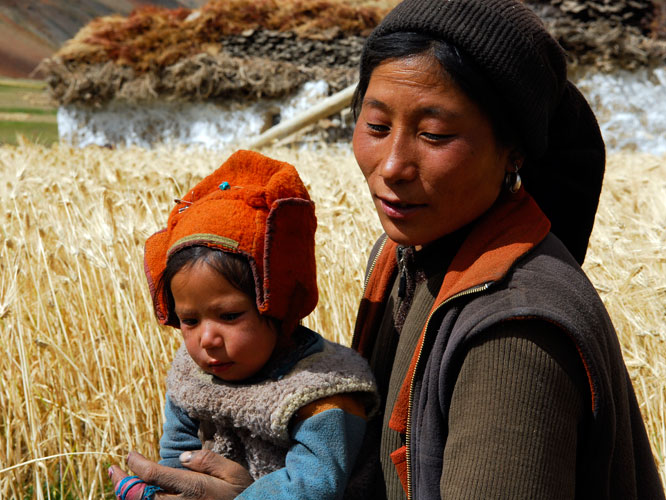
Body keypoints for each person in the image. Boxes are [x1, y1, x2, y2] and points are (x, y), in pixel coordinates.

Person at [110, 1, 666, 498]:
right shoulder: (407, 255)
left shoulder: (512, 334)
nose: (393, 166)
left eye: (435, 135)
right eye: (376, 125)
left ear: (513, 151)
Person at [109, 150, 378, 500]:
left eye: (230, 316)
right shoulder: (191, 376)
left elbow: (311, 488)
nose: (207, 339)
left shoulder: (323, 392)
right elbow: (177, 452)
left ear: (277, 306)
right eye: (189, 320)